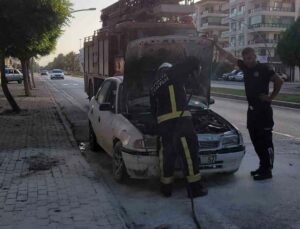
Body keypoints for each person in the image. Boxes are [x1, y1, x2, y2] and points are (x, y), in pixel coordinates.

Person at [215, 44, 283, 180]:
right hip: (251, 112)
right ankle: (262, 166)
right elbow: (230, 57)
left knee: (266, 142)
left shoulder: (264, 68)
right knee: (255, 140)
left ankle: (267, 170)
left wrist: (270, 98)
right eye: (246, 59)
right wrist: (215, 45)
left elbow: (279, 81)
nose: (248, 61)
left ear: (255, 56)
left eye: (250, 58)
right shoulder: (245, 67)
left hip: (263, 111)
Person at [150, 57, 208, 197]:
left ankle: (166, 188)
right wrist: (197, 72)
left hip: (164, 124)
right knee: (189, 154)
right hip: (181, 121)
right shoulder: (172, 73)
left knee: (167, 155)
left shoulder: (153, 87)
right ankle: (195, 189)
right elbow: (194, 60)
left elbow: (153, 110)